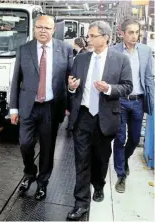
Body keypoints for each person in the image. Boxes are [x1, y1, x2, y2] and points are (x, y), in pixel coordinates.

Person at [66, 21, 133, 220]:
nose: (89, 39)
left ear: (105, 37)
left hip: (105, 118)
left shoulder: (120, 60)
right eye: (89, 36)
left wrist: (109, 89)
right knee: (81, 161)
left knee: (101, 158)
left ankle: (99, 185)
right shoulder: (81, 58)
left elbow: (127, 87)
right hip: (84, 117)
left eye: (93, 35)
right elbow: (72, 87)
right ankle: (81, 202)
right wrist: (71, 87)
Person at [9, 15, 73, 200]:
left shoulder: (65, 49)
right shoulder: (24, 49)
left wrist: (70, 94)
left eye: (47, 28)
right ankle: (29, 174)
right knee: (25, 144)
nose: (43, 30)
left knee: (47, 148)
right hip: (28, 106)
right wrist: (13, 108)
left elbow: (71, 78)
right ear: (34, 29)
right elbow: (16, 80)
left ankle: (42, 183)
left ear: (54, 30)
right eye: (39, 27)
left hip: (51, 108)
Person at [111, 19, 154, 193]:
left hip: (138, 100)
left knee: (135, 139)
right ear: (122, 33)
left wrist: (151, 103)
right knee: (120, 138)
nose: (135, 36)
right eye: (131, 32)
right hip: (120, 101)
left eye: (137, 32)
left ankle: (124, 159)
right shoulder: (114, 51)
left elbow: (149, 78)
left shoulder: (145, 51)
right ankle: (121, 174)